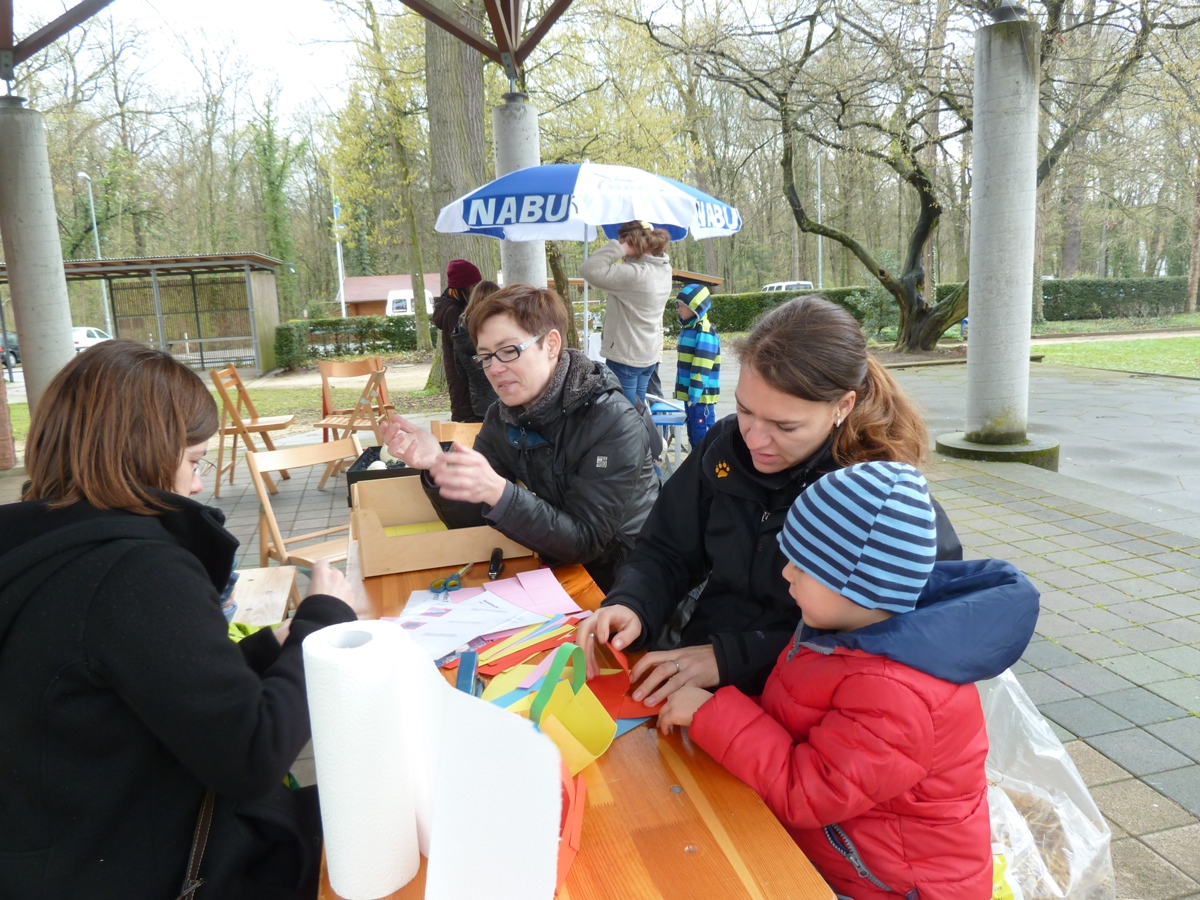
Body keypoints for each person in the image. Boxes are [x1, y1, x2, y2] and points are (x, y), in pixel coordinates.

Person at [0, 340, 357, 900]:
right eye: (193, 461)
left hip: (67, 860)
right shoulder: (133, 570)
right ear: (140, 450)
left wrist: (270, 648)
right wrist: (321, 619)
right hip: (164, 867)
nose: (196, 484)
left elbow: (139, 688)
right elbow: (253, 757)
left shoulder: (42, 549)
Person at [657, 461, 1038, 900]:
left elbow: (810, 791)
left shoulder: (897, 693)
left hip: (887, 888)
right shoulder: (840, 632)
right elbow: (798, 716)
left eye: (802, 565)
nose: (786, 574)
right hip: (843, 851)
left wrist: (713, 714)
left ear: (862, 585)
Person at [578, 294, 963, 700]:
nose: (755, 440)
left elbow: (896, 637)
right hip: (695, 669)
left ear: (843, 406)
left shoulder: (881, 499)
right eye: (745, 410)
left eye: (785, 426)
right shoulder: (724, 446)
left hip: (807, 705)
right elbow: (667, 547)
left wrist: (732, 657)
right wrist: (633, 604)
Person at [381, 284, 660, 592]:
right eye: (485, 356)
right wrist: (437, 464)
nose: (495, 369)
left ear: (551, 344)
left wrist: (500, 492)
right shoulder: (502, 417)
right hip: (557, 577)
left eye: (509, 350)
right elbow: (472, 518)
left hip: (635, 588)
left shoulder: (611, 420)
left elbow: (586, 540)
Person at [579, 220, 673, 406]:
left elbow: (588, 269)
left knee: (624, 414)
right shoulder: (664, 268)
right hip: (648, 355)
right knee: (638, 408)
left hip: (626, 357)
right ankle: (645, 434)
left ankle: (639, 435)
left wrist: (620, 248)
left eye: (623, 242)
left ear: (630, 243)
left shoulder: (634, 274)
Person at [432, 258, 482, 422]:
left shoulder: (455, 308)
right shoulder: (453, 311)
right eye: (474, 285)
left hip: (465, 378)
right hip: (464, 381)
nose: (476, 289)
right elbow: (464, 346)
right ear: (464, 287)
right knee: (468, 424)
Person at [673, 282, 721, 448]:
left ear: (696, 308)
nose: (679, 309)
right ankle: (696, 469)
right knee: (693, 436)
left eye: (682, 306)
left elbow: (701, 367)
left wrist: (693, 395)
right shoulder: (689, 328)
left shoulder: (704, 331)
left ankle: (705, 470)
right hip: (691, 398)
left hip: (701, 399)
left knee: (703, 438)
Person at [450, 279, 501, 421]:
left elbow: (460, 369)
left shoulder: (460, 330)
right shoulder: (496, 329)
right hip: (503, 395)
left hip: (479, 400)